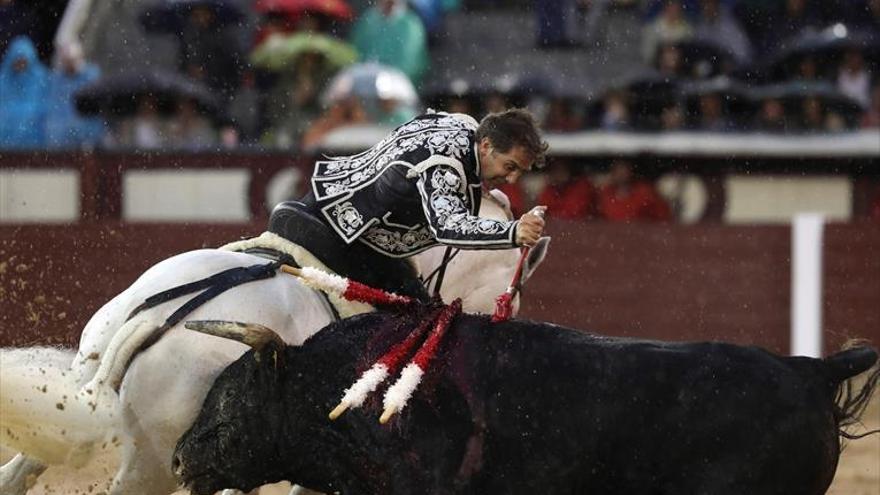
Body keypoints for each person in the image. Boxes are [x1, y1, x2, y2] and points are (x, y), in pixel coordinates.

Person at [268, 108, 548, 299]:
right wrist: (513, 232)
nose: (512, 179)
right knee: (409, 315)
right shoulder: (445, 167)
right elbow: (448, 226)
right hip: (345, 237)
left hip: (327, 205)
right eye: (509, 166)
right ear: (486, 146)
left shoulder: (463, 125)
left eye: (519, 172)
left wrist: (480, 190)